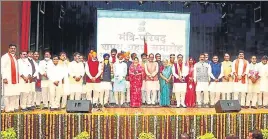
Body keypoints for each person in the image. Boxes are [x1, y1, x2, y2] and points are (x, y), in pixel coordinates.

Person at [1, 44, 20, 112]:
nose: (13, 50)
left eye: (14, 48)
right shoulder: (5, 57)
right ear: (9, 49)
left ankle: (12, 108)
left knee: (13, 94)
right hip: (8, 79)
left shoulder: (15, 57)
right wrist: (4, 78)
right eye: (11, 48)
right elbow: (2, 68)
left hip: (14, 79)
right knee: (7, 94)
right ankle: (6, 108)